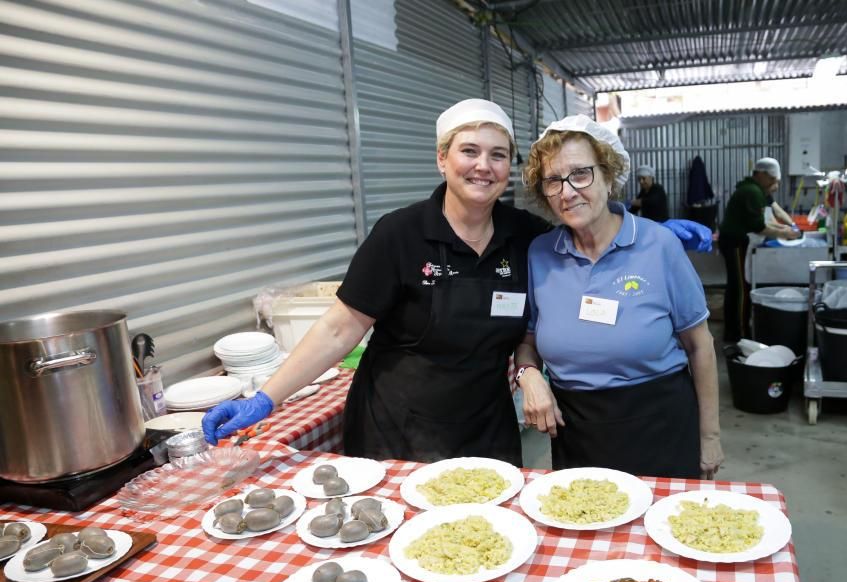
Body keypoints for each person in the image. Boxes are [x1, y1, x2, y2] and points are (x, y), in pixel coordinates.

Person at [201, 100, 709, 465]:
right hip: (397, 431)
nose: (483, 166)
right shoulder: (400, 234)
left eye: (498, 154)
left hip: (486, 430)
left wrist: (647, 235)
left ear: (510, 168)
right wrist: (268, 397)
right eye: (469, 151)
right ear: (443, 159)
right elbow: (340, 328)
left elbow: (584, 231)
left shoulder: (525, 237)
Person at [514, 115, 723, 480]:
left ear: (609, 176)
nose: (567, 192)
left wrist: (710, 438)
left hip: (660, 426)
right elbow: (528, 340)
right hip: (575, 431)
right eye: (553, 180)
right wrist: (528, 374)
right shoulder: (540, 254)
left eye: (581, 174)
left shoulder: (659, 245)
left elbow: (700, 345)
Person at [718, 157, 801, 342]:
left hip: (737, 242)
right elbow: (759, 227)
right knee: (739, 289)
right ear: (762, 175)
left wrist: (791, 226)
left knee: (739, 286)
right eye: (773, 179)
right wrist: (786, 234)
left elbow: (775, 213)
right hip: (735, 243)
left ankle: (737, 330)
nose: (775, 184)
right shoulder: (751, 192)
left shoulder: (757, 189)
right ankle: (737, 334)